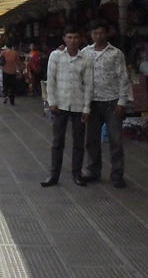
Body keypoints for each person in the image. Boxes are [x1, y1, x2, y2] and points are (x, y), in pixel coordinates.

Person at [41, 25, 93, 187]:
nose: (72, 41)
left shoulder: (85, 59)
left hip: (78, 105)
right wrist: (52, 101)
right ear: (64, 38)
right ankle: (54, 175)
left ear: (80, 39)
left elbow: (88, 85)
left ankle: (77, 174)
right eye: (69, 37)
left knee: (78, 142)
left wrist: (86, 108)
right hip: (60, 104)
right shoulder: (55, 56)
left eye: (76, 37)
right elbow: (51, 80)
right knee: (57, 141)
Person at [81, 20, 131, 188]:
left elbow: (123, 78)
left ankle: (117, 174)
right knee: (91, 140)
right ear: (91, 35)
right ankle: (93, 171)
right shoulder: (85, 52)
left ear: (107, 34)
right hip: (92, 103)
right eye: (95, 33)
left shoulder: (116, 53)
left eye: (101, 33)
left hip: (112, 102)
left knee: (116, 140)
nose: (98, 36)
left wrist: (122, 102)